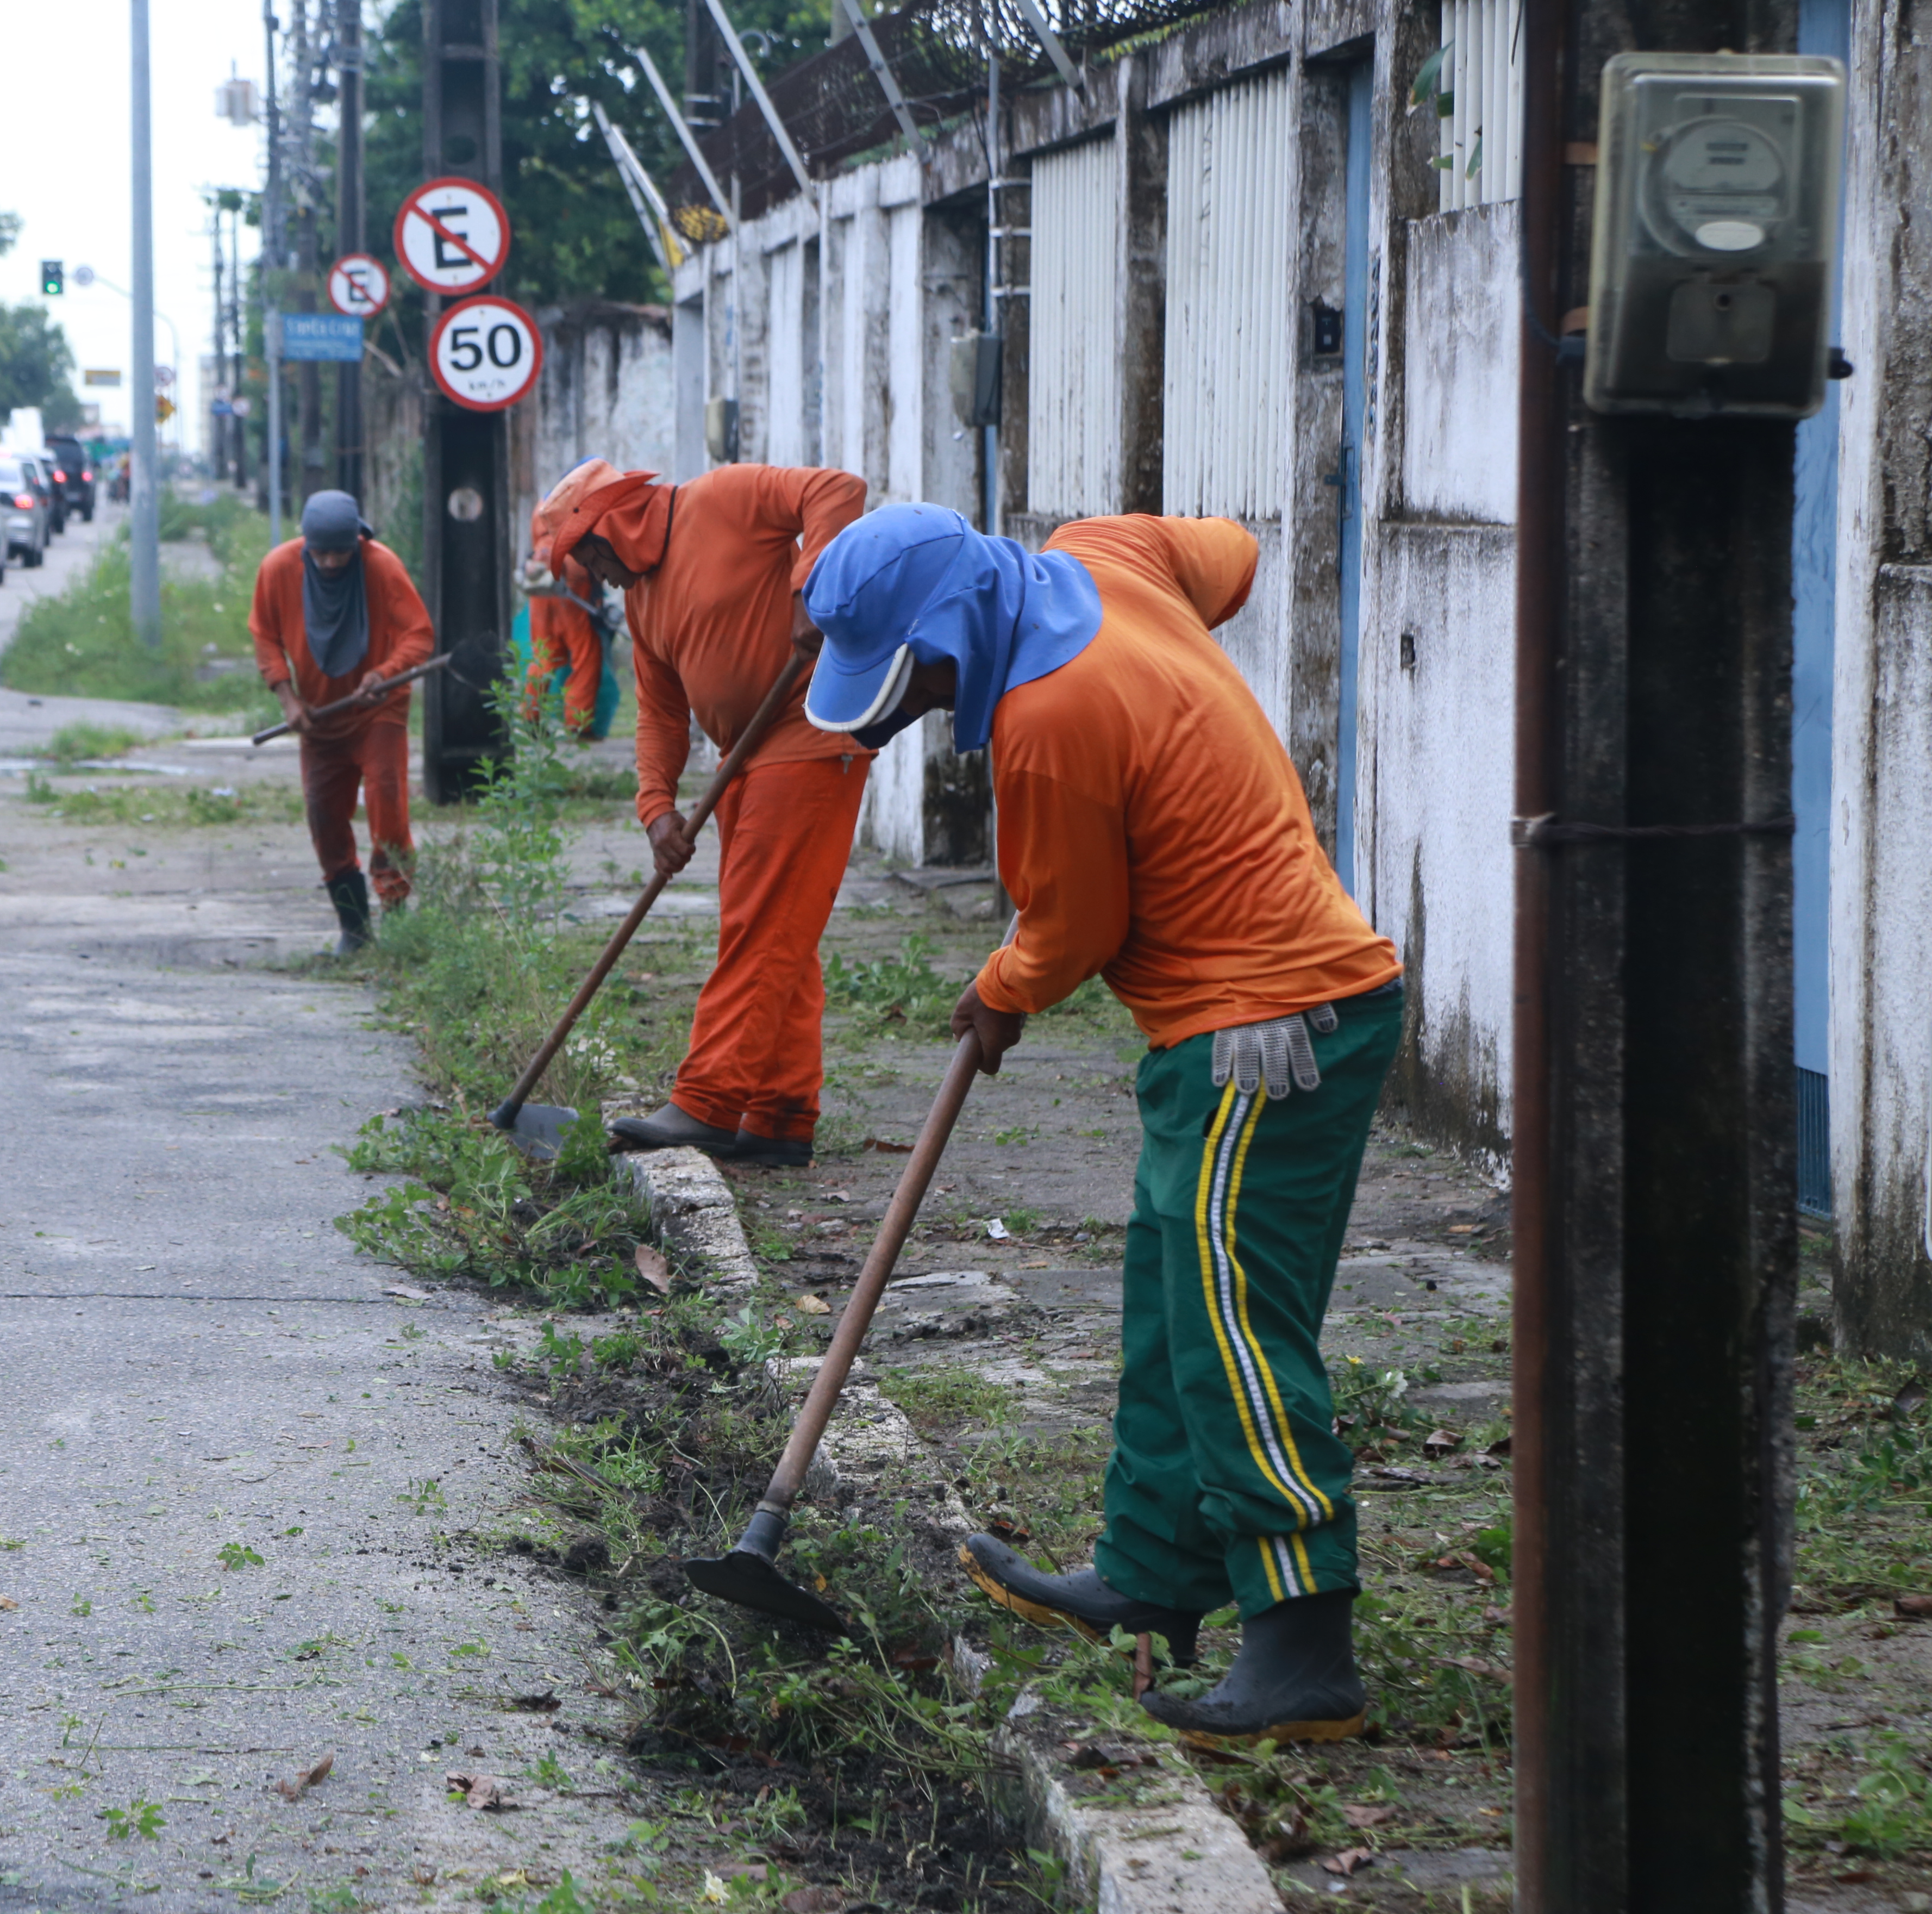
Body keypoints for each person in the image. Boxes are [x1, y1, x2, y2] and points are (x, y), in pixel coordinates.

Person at [799, 503, 1405, 1746]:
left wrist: (996, 991)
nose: (906, 708)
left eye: (909, 678)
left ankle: (1300, 1643)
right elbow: (1227, 557)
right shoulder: (1102, 552)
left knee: (1232, 1316)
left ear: (951, 624)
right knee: (1168, 1298)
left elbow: (1069, 930)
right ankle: (1148, 1575)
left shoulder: (1046, 721)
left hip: (1269, 1030)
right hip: (1221, 1026)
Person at [529, 456, 868, 1167]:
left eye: (587, 560)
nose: (593, 580)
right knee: (779, 933)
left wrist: (813, 589)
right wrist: (657, 808)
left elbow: (836, 490)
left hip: (809, 731)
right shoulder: (644, 602)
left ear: (610, 525)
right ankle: (779, 1115)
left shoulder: (724, 497)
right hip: (740, 758)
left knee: (760, 925)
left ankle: (709, 1103)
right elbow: (660, 716)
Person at [250, 490, 434, 952]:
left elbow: (419, 635)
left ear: (358, 540)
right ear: (305, 544)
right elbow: (265, 636)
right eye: (321, 552)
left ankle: (395, 918)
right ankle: (354, 929)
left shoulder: (381, 566)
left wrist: (384, 674)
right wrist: (288, 699)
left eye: (341, 552)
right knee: (323, 815)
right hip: (318, 718)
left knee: (387, 806)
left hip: (377, 710)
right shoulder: (278, 569)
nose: (331, 562)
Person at [517, 544, 615, 741]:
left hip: (540, 577)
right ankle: (577, 727)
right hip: (573, 575)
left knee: (544, 656)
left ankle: (529, 719)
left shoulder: (539, 512)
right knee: (586, 657)